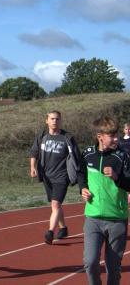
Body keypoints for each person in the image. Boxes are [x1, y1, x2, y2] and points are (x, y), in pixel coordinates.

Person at [78, 116, 130, 285]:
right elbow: (80, 172)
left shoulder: (122, 156)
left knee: (113, 268)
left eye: (117, 135)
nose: (117, 139)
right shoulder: (88, 154)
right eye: (112, 136)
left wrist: (117, 178)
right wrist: (83, 188)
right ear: (100, 136)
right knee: (90, 262)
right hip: (93, 218)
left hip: (117, 219)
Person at [30, 110, 81, 244]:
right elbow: (34, 152)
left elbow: (77, 156)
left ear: (61, 121)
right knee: (55, 206)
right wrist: (32, 168)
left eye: (57, 119)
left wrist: (77, 173)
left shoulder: (67, 137)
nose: (54, 121)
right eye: (52, 119)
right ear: (47, 120)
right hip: (47, 176)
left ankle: (50, 232)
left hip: (62, 176)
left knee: (55, 203)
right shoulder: (42, 136)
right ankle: (63, 228)